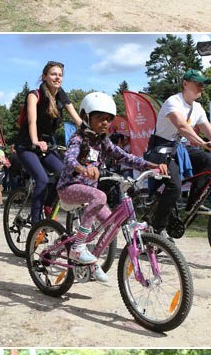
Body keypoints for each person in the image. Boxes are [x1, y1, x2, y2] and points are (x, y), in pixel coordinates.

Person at [57, 91, 167, 283]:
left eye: (109, 119)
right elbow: (69, 158)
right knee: (100, 196)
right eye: (100, 118)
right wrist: (82, 169)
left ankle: (92, 263)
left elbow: (125, 157)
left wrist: (152, 166)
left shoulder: (102, 142)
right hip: (69, 188)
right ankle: (77, 247)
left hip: (88, 194)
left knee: (112, 226)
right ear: (85, 117)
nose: (106, 123)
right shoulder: (78, 139)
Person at [145, 68, 211, 228]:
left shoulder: (198, 108)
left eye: (204, 85)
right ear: (185, 84)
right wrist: (203, 143)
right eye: (198, 84)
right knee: (175, 187)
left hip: (178, 148)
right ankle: (156, 230)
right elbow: (182, 126)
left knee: (207, 159)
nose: (202, 87)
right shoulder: (173, 102)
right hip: (160, 148)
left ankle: (193, 203)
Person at [12, 61, 81, 224]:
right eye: (53, 74)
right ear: (44, 76)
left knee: (64, 175)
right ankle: (36, 224)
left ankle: (48, 205)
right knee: (42, 180)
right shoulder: (34, 95)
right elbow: (32, 121)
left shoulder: (61, 95)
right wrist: (36, 141)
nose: (57, 77)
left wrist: (93, 133)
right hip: (27, 145)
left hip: (47, 144)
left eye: (60, 75)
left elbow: (76, 118)